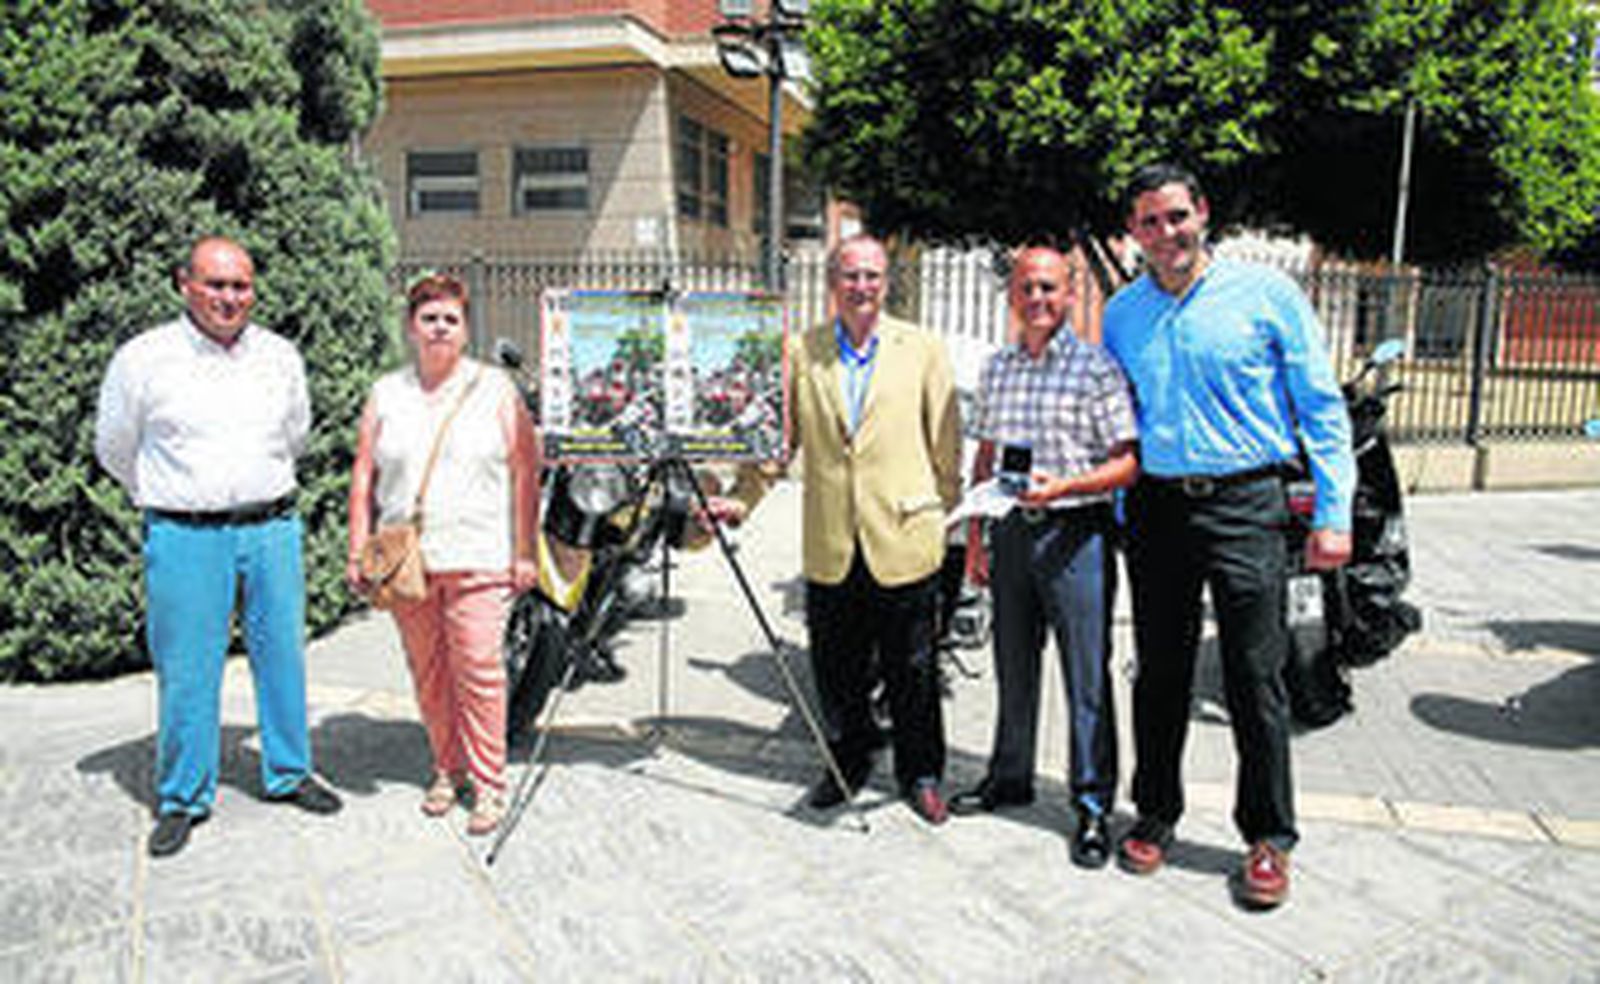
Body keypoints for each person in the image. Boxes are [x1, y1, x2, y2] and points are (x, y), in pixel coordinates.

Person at [1102, 164, 1355, 908]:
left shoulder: (1267, 294)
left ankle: (1268, 837)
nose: (1165, 233)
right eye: (1148, 222)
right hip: (1157, 511)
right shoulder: (1122, 312)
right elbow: (1113, 415)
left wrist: (1334, 512)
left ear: (1202, 213)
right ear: (1133, 231)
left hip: (1248, 503)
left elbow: (1320, 403)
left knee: (1255, 675)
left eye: (1175, 216)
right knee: (1160, 674)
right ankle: (1154, 812)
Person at [94, 236, 343, 859]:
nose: (230, 298)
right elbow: (116, 447)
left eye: (241, 285)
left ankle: (288, 771)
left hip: (270, 530)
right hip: (184, 535)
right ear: (185, 284)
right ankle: (182, 796)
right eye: (216, 284)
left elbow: (296, 434)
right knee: (187, 669)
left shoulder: (280, 356)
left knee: (283, 655)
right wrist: (168, 494)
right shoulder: (143, 359)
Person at [710, 235, 963, 825]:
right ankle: (848, 761)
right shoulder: (803, 352)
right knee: (838, 671)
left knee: (914, 671)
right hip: (831, 544)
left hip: (905, 538)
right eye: (850, 276)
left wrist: (941, 519)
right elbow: (779, 445)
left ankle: (921, 772)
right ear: (832, 283)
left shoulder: (922, 349)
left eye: (872, 276)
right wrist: (740, 501)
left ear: (886, 283)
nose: (862, 286)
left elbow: (945, 444)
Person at [951, 246, 1138, 869]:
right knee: (1012, 663)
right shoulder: (998, 367)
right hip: (1009, 535)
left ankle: (1091, 804)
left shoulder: (1095, 369)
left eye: (1049, 289)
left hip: (1075, 536)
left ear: (1069, 293)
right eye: (1028, 287)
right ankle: (1010, 776)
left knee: (1085, 677)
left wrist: (1065, 487)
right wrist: (975, 536)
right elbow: (986, 455)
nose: (1037, 299)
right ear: (1013, 294)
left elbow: (1127, 461)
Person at [347, 273, 541, 836]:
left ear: (465, 328)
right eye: (428, 317)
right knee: (429, 672)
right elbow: (364, 474)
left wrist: (524, 550)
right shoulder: (387, 392)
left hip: (480, 555)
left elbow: (526, 472)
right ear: (411, 327)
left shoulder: (495, 390)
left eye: (450, 318)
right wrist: (358, 545)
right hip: (409, 560)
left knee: (479, 671)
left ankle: (489, 783)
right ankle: (446, 766)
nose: (439, 327)